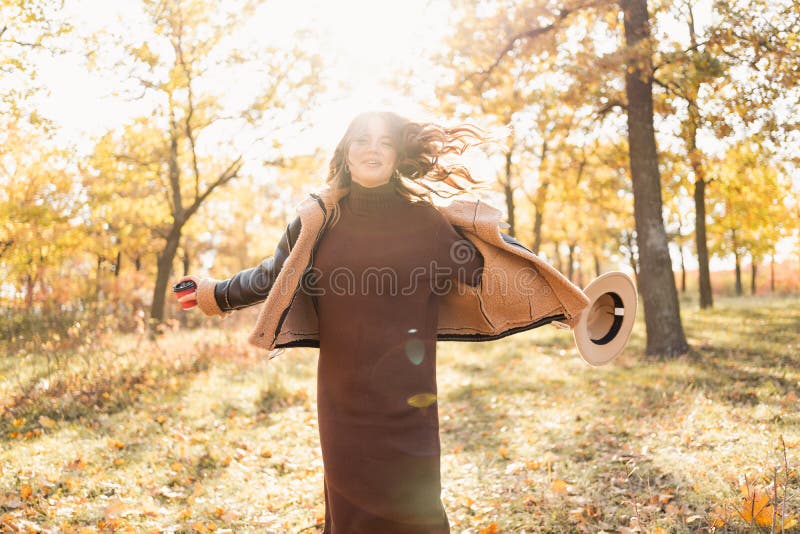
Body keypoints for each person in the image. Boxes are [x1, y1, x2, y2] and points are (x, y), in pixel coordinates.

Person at [174, 111, 591, 533]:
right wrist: (215, 292)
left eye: (384, 143)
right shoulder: (318, 222)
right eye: (362, 141)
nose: (372, 149)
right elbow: (270, 277)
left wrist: (566, 304)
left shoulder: (425, 223)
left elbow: (492, 269)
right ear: (346, 154)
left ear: (396, 157)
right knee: (351, 516)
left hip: (409, 402)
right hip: (342, 403)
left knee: (419, 514)